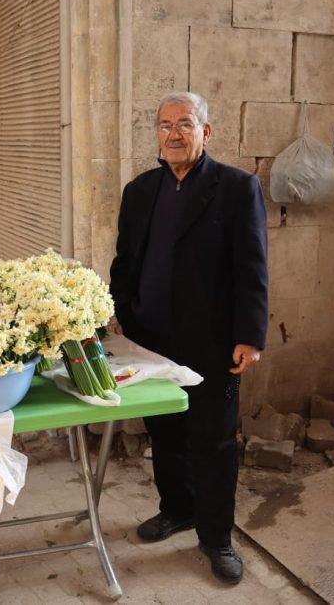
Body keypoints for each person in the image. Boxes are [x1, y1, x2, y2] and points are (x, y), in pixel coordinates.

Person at [109, 91, 268, 584]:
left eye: (185, 124)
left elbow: (252, 266)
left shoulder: (237, 188)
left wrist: (249, 334)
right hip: (151, 340)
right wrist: (117, 316)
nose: (173, 134)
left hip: (214, 344)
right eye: (164, 125)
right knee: (166, 433)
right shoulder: (139, 191)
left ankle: (216, 536)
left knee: (214, 439)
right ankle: (176, 509)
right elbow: (124, 263)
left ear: (206, 131)